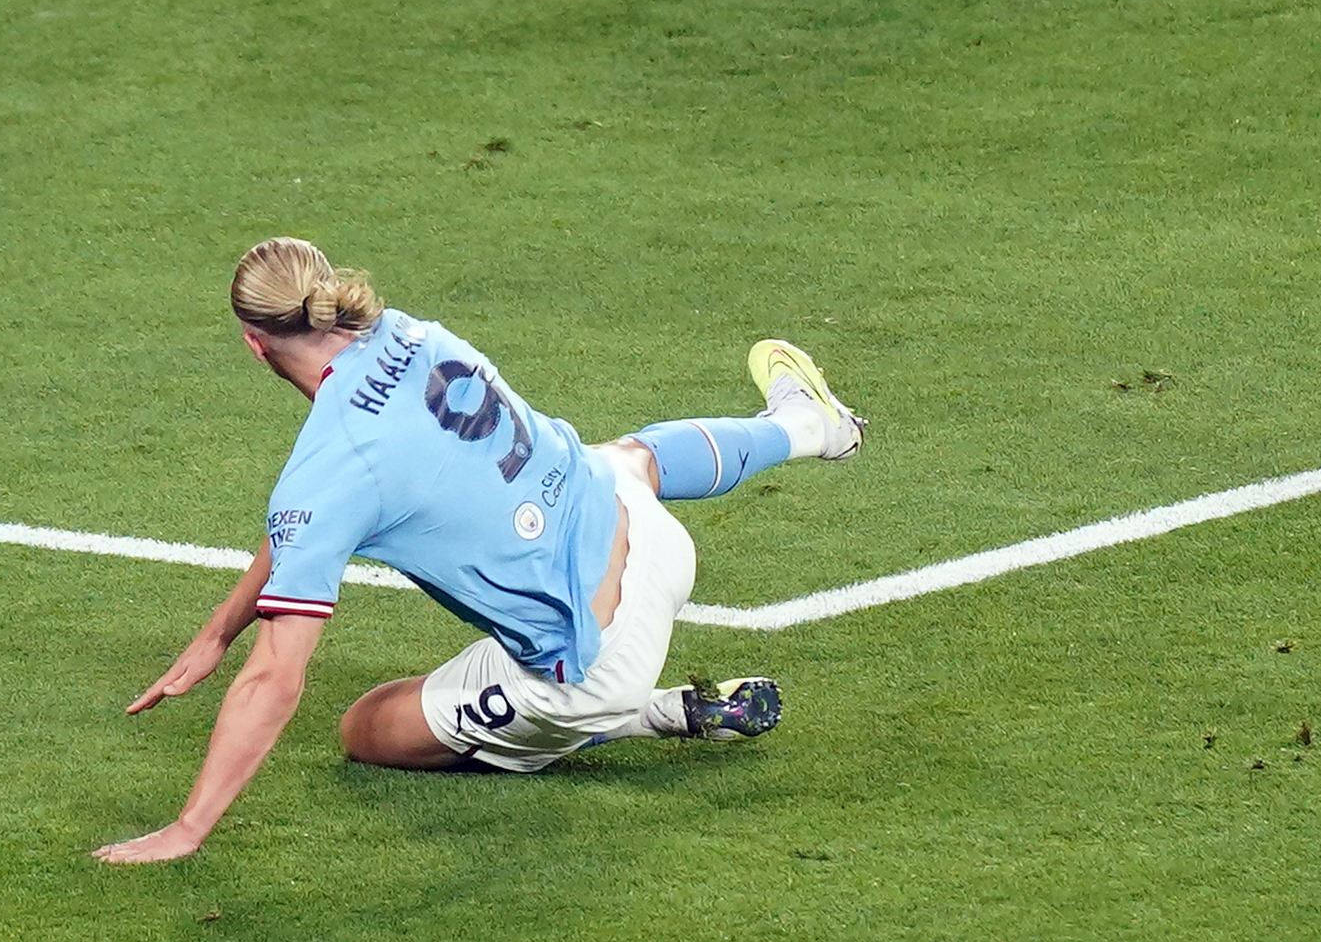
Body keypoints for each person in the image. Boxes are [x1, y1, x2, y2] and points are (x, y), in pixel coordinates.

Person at [95, 239, 861, 862]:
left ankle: (647, 714)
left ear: (255, 348)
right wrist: (218, 629)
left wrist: (187, 828)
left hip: (592, 666)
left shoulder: (328, 471)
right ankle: (810, 427)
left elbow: (277, 676)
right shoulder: (410, 332)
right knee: (623, 457)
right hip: (653, 534)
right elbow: (305, 524)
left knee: (363, 729)